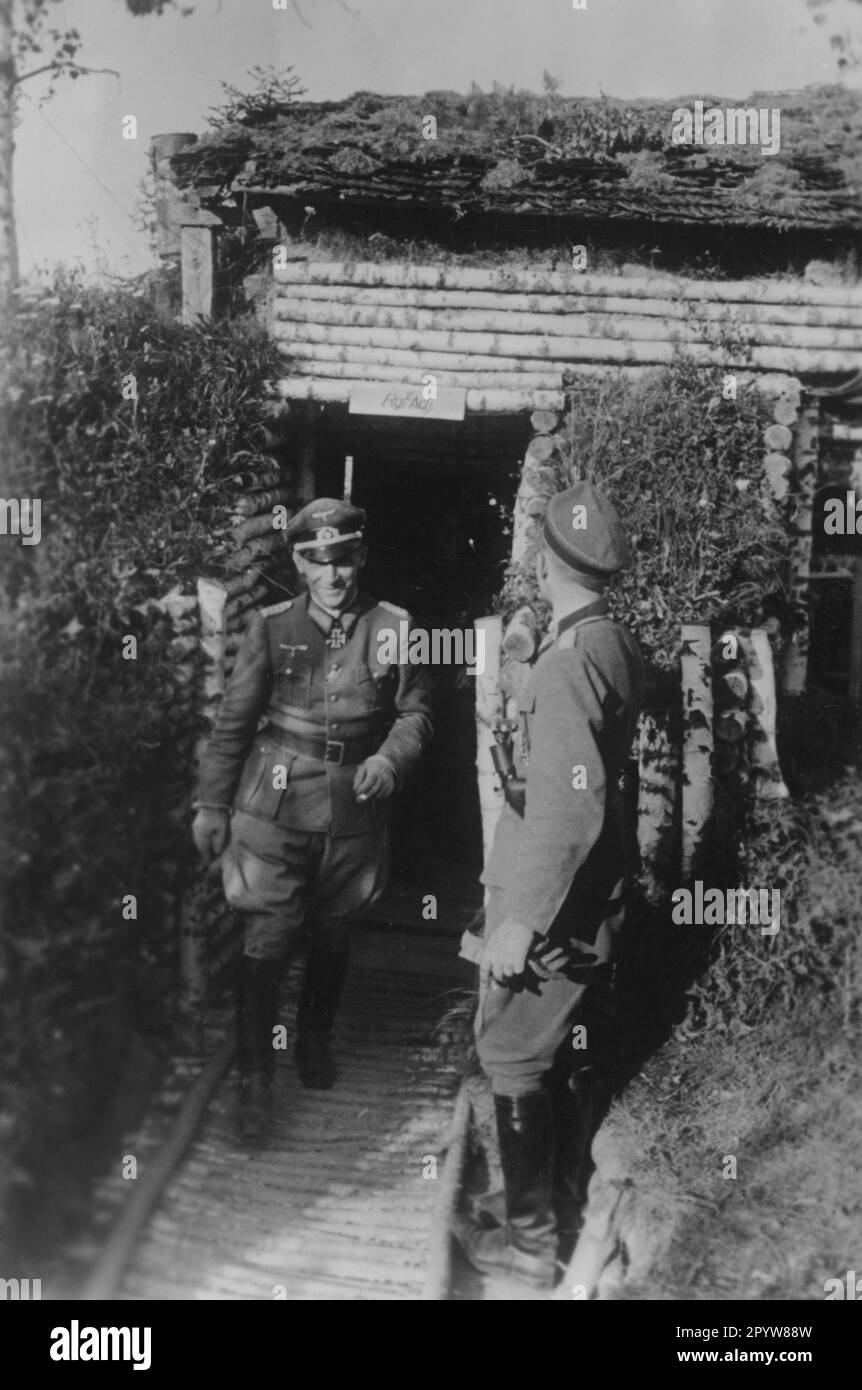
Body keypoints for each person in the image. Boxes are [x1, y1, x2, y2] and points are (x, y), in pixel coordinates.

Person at [191, 498, 433, 1143]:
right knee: (265, 939)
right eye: (320, 564)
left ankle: (315, 1042)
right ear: (299, 563)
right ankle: (252, 1084)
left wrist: (391, 758)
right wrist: (212, 804)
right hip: (272, 802)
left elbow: (416, 713)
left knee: (333, 931)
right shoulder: (270, 628)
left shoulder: (394, 626)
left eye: (345, 561)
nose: (335, 577)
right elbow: (234, 722)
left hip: (354, 802)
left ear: (360, 558)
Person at [455, 480, 645, 1290]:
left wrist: (520, 924)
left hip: (556, 903)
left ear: (543, 556)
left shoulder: (570, 665)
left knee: (511, 1053)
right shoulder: (608, 641)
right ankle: (547, 1201)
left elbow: (568, 814)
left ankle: (530, 1248)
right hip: (587, 895)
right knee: (553, 1055)